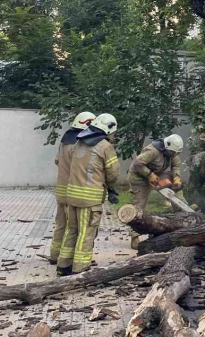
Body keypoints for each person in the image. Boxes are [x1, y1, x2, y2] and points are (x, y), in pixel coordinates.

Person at [56, 113, 120, 276]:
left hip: (72, 196)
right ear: (108, 129)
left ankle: (63, 266)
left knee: (72, 231)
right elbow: (113, 173)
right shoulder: (105, 146)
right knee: (86, 232)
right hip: (90, 200)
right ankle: (80, 268)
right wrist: (111, 188)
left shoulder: (78, 142)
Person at [48, 111, 96, 264]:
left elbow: (57, 161)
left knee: (60, 223)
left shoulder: (64, 140)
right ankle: (70, 259)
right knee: (72, 227)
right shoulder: (79, 142)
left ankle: (55, 255)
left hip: (60, 189)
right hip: (72, 190)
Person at [127, 134, 185, 249]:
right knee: (138, 205)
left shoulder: (172, 152)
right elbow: (138, 163)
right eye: (174, 153)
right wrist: (149, 175)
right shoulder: (152, 151)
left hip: (158, 173)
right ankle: (134, 236)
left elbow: (176, 165)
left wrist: (177, 177)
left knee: (175, 191)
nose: (175, 155)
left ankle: (184, 213)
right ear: (167, 147)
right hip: (139, 177)